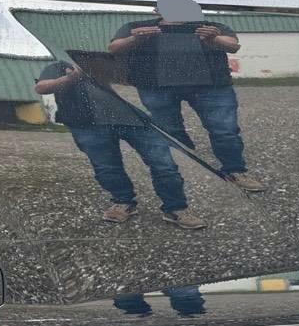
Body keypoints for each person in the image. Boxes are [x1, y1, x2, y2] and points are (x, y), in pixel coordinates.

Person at [109, 0, 267, 192]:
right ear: (156, 10)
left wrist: (214, 38)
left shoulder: (209, 26)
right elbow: (114, 48)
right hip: (156, 87)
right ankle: (188, 169)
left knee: (224, 130)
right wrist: (135, 38)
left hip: (211, 86)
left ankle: (235, 171)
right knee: (170, 131)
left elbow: (233, 46)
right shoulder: (138, 27)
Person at [35, 60, 208, 229]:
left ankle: (176, 208)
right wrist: (71, 78)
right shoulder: (62, 65)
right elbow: (42, 87)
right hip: (87, 125)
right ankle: (123, 202)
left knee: (164, 165)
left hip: (137, 120)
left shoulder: (121, 58)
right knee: (106, 167)